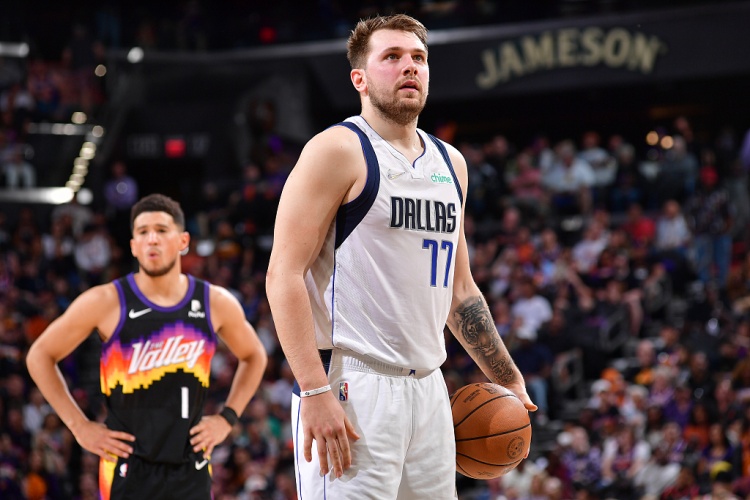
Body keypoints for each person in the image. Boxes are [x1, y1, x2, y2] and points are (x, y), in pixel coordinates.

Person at [265, 14, 535, 499]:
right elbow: (283, 274)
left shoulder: (451, 163)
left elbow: (460, 291)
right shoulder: (337, 149)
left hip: (429, 387)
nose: (409, 66)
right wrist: (314, 390)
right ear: (360, 79)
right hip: (352, 385)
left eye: (418, 58)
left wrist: (508, 377)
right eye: (391, 57)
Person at [26, 193, 268, 499]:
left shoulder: (214, 302)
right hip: (126, 467)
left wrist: (227, 418)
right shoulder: (105, 301)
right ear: (133, 245)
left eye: (161, 230)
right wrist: (79, 426)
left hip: (191, 466)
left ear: (182, 241)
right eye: (143, 232)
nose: (152, 239)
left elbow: (254, 355)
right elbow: (39, 355)